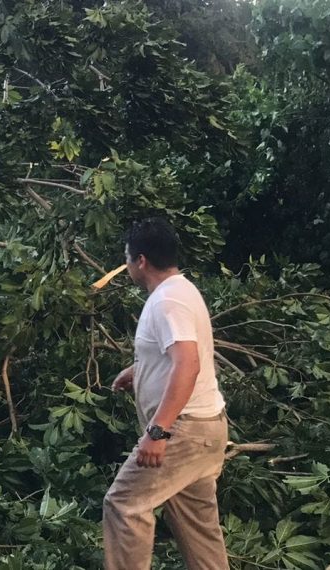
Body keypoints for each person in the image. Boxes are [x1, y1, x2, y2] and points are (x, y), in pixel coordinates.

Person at [103, 217, 229, 570]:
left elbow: (188, 365)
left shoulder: (167, 301)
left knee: (124, 505)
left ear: (141, 260)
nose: (127, 265)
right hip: (206, 430)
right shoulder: (182, 291)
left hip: (182, 432)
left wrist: (157, 432)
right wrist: (140, 369)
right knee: (199, 530)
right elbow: (180, 354)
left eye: (127, 258)